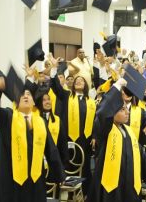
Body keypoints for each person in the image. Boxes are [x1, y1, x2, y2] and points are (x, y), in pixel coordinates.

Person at [0, 75, 65, 202]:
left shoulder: (41, 123)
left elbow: (51, 150)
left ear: (34, 102)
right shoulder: (7, 117)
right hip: (11, 179)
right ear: (15, 101)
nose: (25, 96)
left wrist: (60, 175)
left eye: (28, 94)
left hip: (35, 180)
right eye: (21, 95)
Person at [88, 78, 146, 202]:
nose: (127, 112)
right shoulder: (106, 128)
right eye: (122, 109)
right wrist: (117, 86)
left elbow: (141, 155)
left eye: (126, 109)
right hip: (110, 187)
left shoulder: (128, 131)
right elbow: (103, 111)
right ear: (112, 112)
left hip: (130, 186)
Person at [49, 55, 96, 196]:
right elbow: (56, 86)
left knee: (86, 167)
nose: (79, 81)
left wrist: (94, 136)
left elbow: (96, 121)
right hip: (68, 137)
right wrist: (54, 69)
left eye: (82, 80)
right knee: (69, 165)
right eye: (77, 80)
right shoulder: (66, 96)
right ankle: (69, 194)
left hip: (85, 138)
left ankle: (86, 195)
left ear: (86, 85)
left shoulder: (91, 102)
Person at [36, 93, 69, 166]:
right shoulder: (35, 120)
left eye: (48, 99)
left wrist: (64, 163)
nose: (47, 102)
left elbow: (63, 143)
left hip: (55, 161)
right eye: (44, 100)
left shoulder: (57, 120)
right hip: (39, 161)